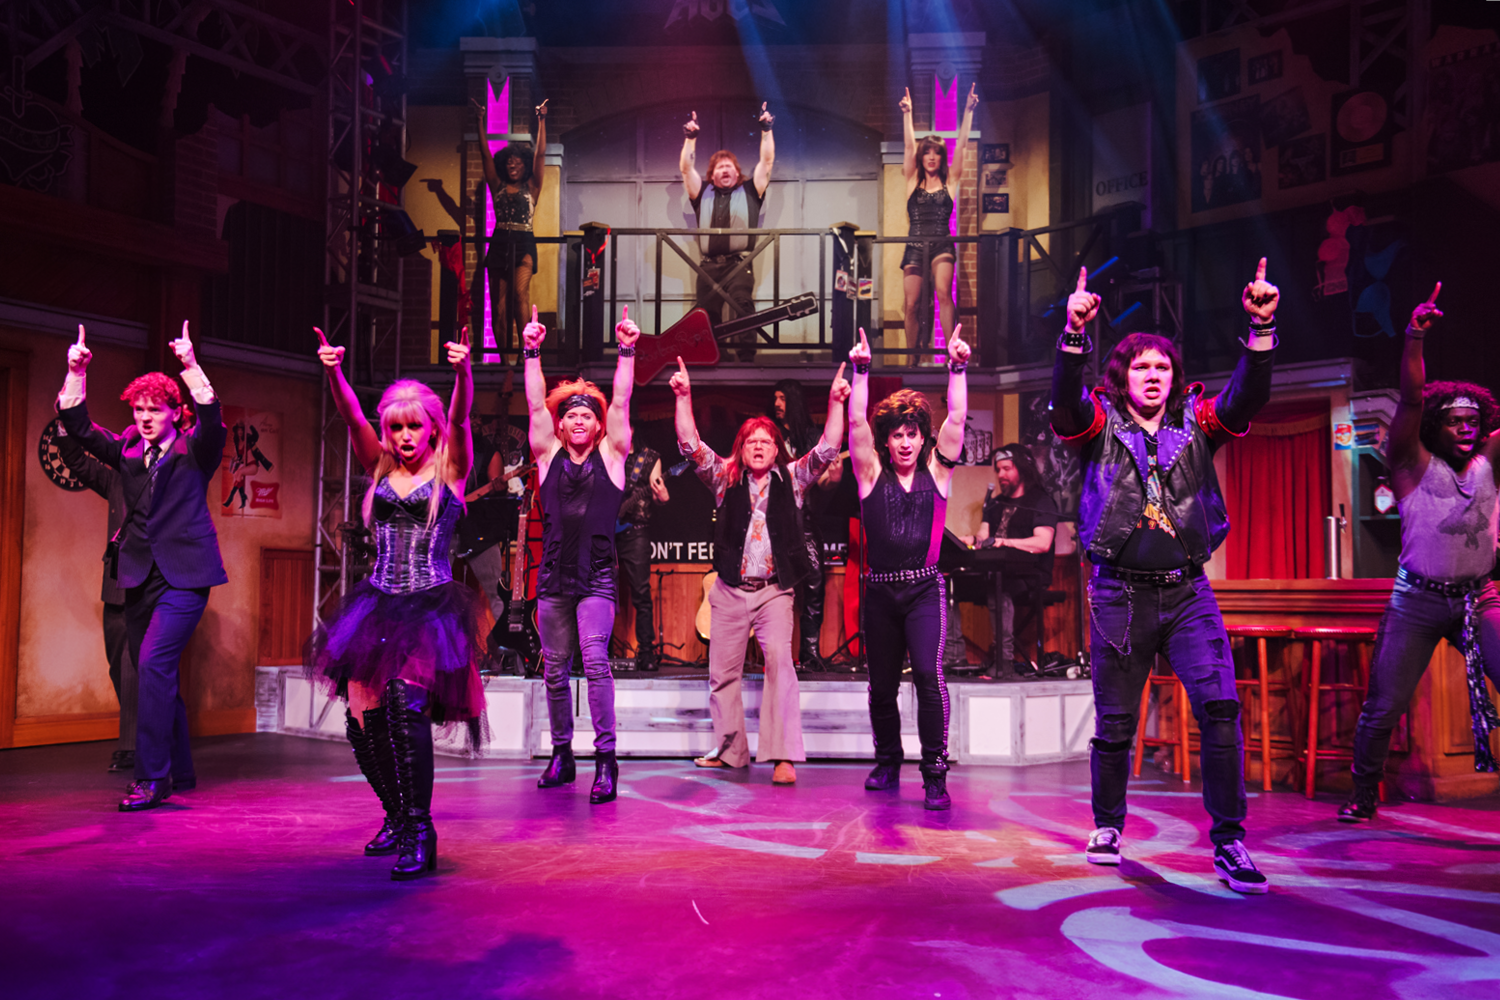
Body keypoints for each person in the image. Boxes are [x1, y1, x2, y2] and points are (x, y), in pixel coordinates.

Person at [1050, 261, 1279, 893]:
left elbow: (1247, 398)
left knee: (1221, 709)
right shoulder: (1099, 427)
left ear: (1175, 378)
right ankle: (1107, 824)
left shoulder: (1197, 426)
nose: (1154, 375)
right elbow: (1064, 404)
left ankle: (1230, 842)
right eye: (1141, 367)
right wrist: (1074, 333)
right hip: (1118, 592)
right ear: (1122, 378)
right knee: (1116, 723)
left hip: (1187, 592)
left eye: (1163, 367)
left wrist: (1260, 327)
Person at [307, 324, 484, 881]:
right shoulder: (380, 465)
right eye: (397, 428)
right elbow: (353, 417)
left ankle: (419, 827)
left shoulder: (448, 471)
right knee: (364, 724)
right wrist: (334, 371)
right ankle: (394, 816)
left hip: (428, 607)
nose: (406, 436)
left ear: (430, 428)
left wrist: (462, 373)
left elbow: (460, 419)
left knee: (408, 714)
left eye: (415, 426)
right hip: (377, 604)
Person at [1339, 284, 1500, 821]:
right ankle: (1362, 795)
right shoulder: (1410, 465)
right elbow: (1410, 398)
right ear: (1436, 426)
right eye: (1456, 420)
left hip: (1479, 598)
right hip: (1417, 601)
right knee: (1384, 705)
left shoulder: (1487, 466)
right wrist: (1413, 337)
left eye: (1473, 421)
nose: (1467, 426)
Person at [57, 322, 226, 812]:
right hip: (136, 575)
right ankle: (181, 769)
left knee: (153, 664)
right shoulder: (129, 449)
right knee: (156, 672)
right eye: (139, 409)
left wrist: (191, 366)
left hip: (185, 577)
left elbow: (214, 418)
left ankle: (152, 778)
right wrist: (75, 373)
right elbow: (80, 429)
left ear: (177, 412)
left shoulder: (195, 450)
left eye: (156, 409)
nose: (146, 417)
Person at [671, 357, 850, 784]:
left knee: (779, 665)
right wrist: (682, 397)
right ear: (741, 447)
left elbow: (827, 447)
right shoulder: (724, 477)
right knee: (722, 674)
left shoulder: (794, 478)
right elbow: (689, 445)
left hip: (774, 591)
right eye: (750, 440)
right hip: (731, 589)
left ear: (776, 449)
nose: (757, 446)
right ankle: (732, 752)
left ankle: (783, 755)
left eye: (765, 441)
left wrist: (836, 401)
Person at [848, 325, 969, 810]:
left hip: (923, 591)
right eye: (896, 435)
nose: (904, 442)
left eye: (912, 434)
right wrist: (861, 371)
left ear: (923, 438)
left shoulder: (938, 473)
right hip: (879, 592)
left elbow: (958, 416)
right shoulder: (869, 473)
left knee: (927, 677)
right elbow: (857, 422)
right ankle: (887, 760)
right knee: (880, 685)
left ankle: (935, 774)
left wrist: (957, 367)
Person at [524, 306, 640, 804]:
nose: (577, 420)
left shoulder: (611, 459)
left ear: (596, 427)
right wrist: (531, 351)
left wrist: (627, 350)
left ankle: (606, 761)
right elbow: (533, 408)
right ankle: (562, 754)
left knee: (595, 662)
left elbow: (621, 399)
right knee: (553, 669)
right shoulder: (547, 455)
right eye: (569, 414)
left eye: (585, 415)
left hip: (595, 579)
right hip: (552, 580)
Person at [52, 419, 136, 774]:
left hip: (149, 586)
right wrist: (63, 425)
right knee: (118, 667)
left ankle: (132, 747)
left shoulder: (170, 475)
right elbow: (78, 461)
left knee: (135, 671)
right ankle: (138, 738)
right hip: (115, 584)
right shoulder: (116, 478)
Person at [680, 102, 775, 363]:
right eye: (719, 167)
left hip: (739, 263)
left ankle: (746, 358)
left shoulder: (750, 190)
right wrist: (691, 139)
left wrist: (766, 129)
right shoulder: (702, 193)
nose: (725, 170)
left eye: (729, 166)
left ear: (737, 173)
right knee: (707, 313)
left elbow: (767, 161)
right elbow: (686, 169)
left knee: (742, 304)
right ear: (712, 174)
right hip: (708, 266)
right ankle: (715, 358)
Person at [899, 83, 977, 360]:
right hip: (915, 243)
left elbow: (964, 145)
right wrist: (907, 114)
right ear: (922, 156)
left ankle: (951, 351)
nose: (931, 157)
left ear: (942, 157)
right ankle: (911, 357)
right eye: (927, 152)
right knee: (911, 304)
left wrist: (967, 111)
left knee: (944, 294)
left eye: (937, 152)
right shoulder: (912, 179)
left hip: (941, 242)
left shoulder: (950, 181)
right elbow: (909, 145)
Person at [472, 97, 547, 363]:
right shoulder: (497, 185)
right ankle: (504, 362)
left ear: (524, 165)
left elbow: (540, 154)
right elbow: (484, 153)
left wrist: (541, 120)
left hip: (524, 239)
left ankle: (527, 354)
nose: (513, 166)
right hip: (501, 239)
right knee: (499, 308)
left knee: (520, 294)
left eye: (518, 163)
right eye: (509, 163)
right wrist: (480, 120)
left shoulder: (533, 187)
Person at [975, 443, 1059, 675]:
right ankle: (953, 659)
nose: (1000, 474)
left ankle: (1004, 662)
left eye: (1006, 469)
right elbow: (984, 535)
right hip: (998, 571)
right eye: (998, 470)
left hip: (1030, 575)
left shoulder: (1041, 501)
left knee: (999, 588)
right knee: (949, 585)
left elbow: (1042, 543)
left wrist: (1006, 542)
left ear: (1021, 469)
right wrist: (970, 540)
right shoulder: (994, 504)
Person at [770, 379, 830, 670]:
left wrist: (833, 475)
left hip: (805, 523)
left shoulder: (812, 436)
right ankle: (777, 656)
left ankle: (810, 653)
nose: (777, 404)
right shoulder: (770, 436)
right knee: (778, 589)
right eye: (775, 398)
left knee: (816, 586)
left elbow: (829, 483)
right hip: (777, 525)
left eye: (782, 398)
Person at [617, 446, 670, 672]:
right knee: (598, 593)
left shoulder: (647, 457)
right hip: (604, 531)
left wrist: (662, 497)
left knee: (641, 592)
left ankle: (646, 652)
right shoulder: (603, 453)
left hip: (635, 531)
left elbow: (659, 495)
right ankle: (593, 652)